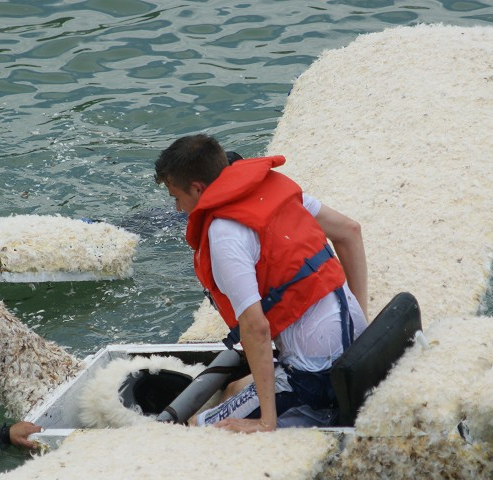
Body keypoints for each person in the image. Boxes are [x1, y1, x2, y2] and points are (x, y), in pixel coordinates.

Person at [154, 134, 369, 433]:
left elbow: (256, 327)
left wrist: (265, 422)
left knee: (194, 427)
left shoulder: (224, 233)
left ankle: (275, 417)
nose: (178, 209)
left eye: (176, 198)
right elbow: (350, 231)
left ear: (197, 188)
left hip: (314, 373)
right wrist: (363, 331)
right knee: (233, 389)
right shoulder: (277, 189)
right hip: (356, 337)